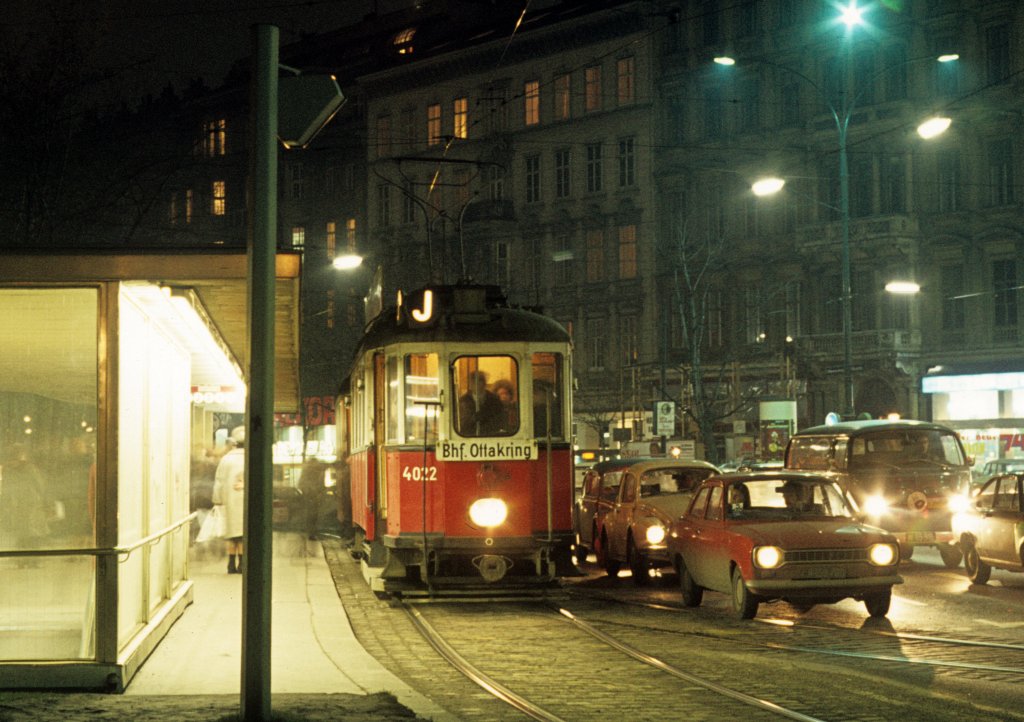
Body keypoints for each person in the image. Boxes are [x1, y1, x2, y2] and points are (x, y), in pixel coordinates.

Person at [0, 443, 49, 550]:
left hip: (17, 503)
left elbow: (4, 487)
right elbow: (40, 485)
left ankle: (23, 552)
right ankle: (31, 552)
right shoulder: (30, 468)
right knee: (32, 529)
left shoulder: (8, 469)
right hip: (30, 501)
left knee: (22, 529)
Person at [213, 426, 246, 574]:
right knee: (243, 535)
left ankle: (231, 564)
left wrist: (217, 500)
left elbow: (219, 482)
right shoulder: (250, 459)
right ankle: (242, 564)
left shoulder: (226, 459)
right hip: (245, 503)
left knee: (231, 536)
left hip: (229, 503)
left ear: (235, 444)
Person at [457, 370, 504, 436]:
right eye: (473, 382)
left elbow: (500, 420)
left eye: (479, 381)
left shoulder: (494, 400)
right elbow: (461, 423)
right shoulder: (463, 401)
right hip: (469, 437)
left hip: (491, 436)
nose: (476, 384)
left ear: (484, 383)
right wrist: (472, 419)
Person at [298, 459, 326, 540]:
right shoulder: (318, 472)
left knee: (311, 515)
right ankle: (312, 532)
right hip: (312, 496)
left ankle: (311, 532)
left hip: (310, 496)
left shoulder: (307, 472)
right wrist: (318, 493)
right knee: (313, 515)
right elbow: (320, 485)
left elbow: (301, 484)